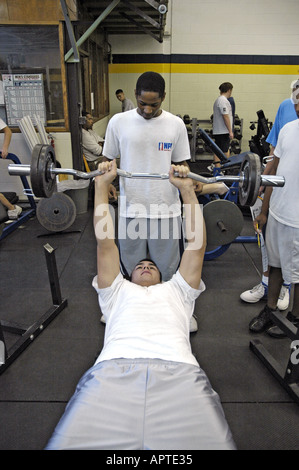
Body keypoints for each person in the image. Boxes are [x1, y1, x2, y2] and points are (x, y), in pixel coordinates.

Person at [45, 160, 236, 450]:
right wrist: (101, 185)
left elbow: (195, 245)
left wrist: (187, 191)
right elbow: (105, 241)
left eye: (151, 265)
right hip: (110, 375)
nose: (146, 266)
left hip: (181, 375)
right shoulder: (114, 290)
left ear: (163, 276)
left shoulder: (179, 290)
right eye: (140, 264)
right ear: (128, 274)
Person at [240, 79, 299, 311]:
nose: (297, 107)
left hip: (296, 221)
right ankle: (271, 311)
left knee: (296, 276)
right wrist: (264, 212)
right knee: (274, 266)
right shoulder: (287, 130)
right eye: (296, 102)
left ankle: (293, 324)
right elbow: (275, 171)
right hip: (276, 214)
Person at [211, 82, 234, 171]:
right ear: (229, 90)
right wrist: (230, 131)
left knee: (218, 151)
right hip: (223, 131)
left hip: (220, 131)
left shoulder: (219, 100)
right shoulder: (223, 100)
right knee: (224, 151)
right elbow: (225, 116)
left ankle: (219, 170)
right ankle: (223, 170)